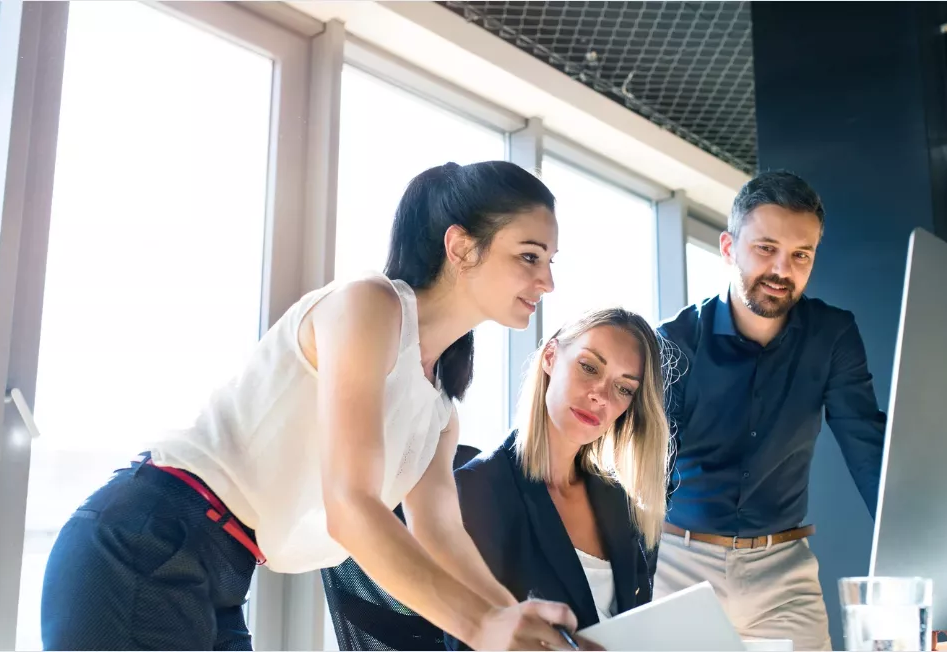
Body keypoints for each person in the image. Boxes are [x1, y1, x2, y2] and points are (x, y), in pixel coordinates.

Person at [39, 161, 583, 651]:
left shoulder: (440, 412)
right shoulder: (369, 306)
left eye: (550, 261)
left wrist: (521, 625)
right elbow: (351, 505)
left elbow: (441, 535)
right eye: (529, 256)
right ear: (462, 247)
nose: (548, 281)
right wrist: (482, 629)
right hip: (147, 540)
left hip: (225, 570)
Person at [653, 170, 947, 652]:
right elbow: (646, 472)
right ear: (729, 247)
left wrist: (943, 584)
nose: (781, 269)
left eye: (801, 255)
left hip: (782, 570)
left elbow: (870, 455)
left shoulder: (832, 336)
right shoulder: (674, 341)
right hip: (678, 562)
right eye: (765, 248)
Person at [448, 308, 672, 650]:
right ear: (550, 357)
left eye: (624, 389)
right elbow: (466, 641)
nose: (601, 395)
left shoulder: (616, 500)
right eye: (589, 367)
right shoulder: (479, 490)